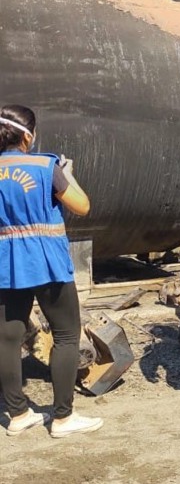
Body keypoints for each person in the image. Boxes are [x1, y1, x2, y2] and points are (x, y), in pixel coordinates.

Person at [0, 105, 103, 437]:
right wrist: (67, 174)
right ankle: (62, 417)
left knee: (6, 339)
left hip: (6, 264)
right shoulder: (46, 165)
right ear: (28, 135)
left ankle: (17, 414)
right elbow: (82, 206)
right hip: (47, 263)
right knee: (67, 335)